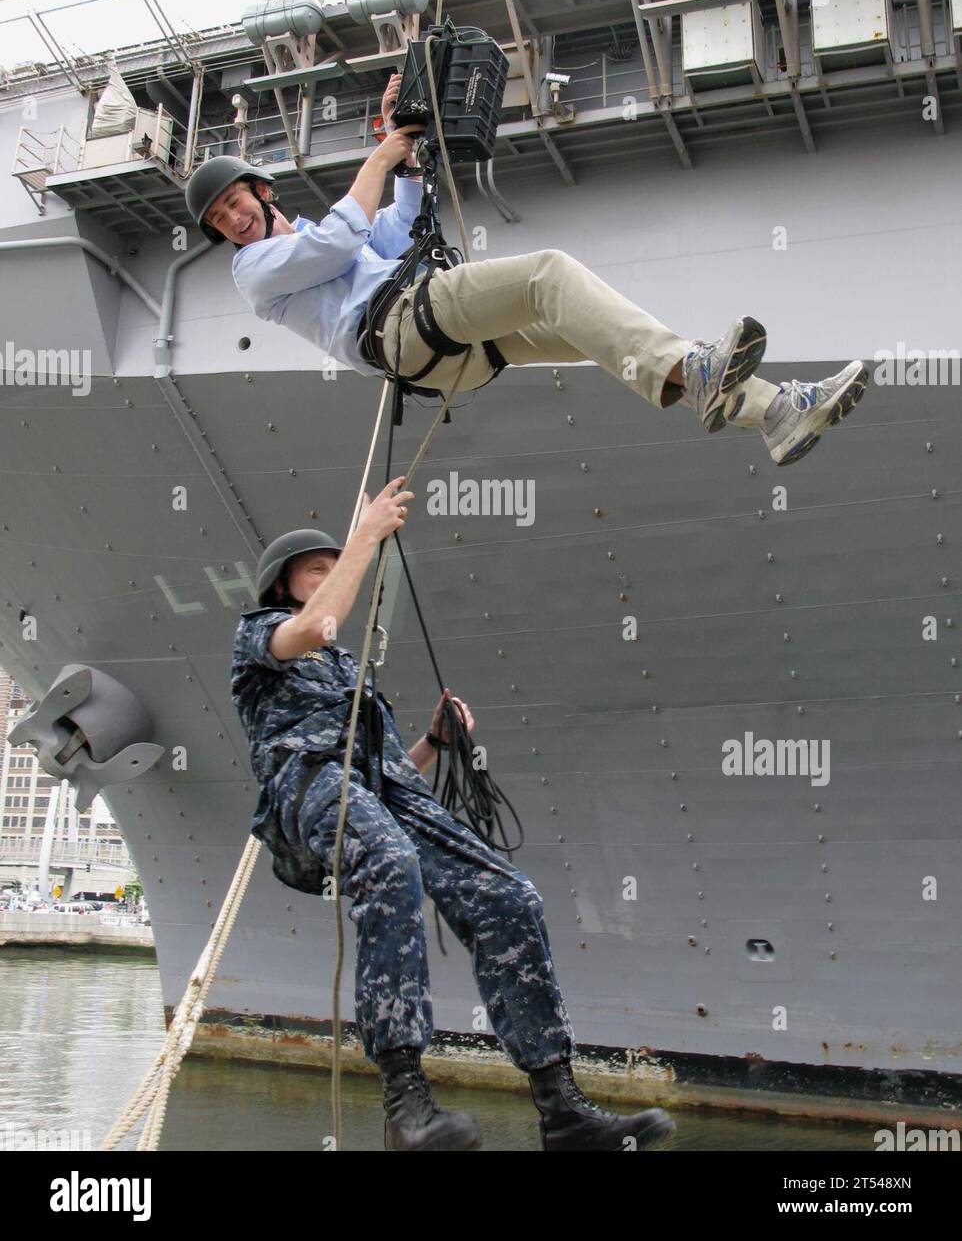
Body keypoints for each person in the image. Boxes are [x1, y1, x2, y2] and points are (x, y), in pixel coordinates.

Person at [230, 494, 679, 1151]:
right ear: (281, 584)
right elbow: (319, 624)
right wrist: (364, 538)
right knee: (391, 864)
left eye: (334, 564)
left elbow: (388, 773)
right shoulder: (260, 634)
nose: (327, 576)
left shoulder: (348, 670)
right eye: (312, 570)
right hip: (310, 784)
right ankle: (405, 1104)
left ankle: (561, 1106)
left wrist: (433, 744)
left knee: (508, 896)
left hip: (375, 791)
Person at [186, 72, 868, 468]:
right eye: (219, 219)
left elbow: (391, 232)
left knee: (596, 337)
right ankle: (704, 375)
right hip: (403, 326)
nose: (232, 219)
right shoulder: (257, 272)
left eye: (233, 202)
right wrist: (380, 157)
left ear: (259, 189)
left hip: (448, 356)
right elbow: (340, 242)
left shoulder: (300, 235)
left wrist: (407, 155)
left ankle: (776, 412)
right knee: (548, 274)